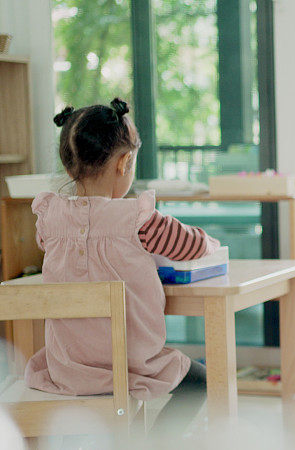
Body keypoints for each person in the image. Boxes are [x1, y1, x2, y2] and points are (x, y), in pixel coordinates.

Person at [25, 98, 219, 436]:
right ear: (125, 162)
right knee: (201, 382)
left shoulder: (48, 219)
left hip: (68, 368)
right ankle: (156, 445)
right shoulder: (139, 220)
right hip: (130, 364)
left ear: (69, 166)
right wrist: (210, 243)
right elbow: (193, 246)